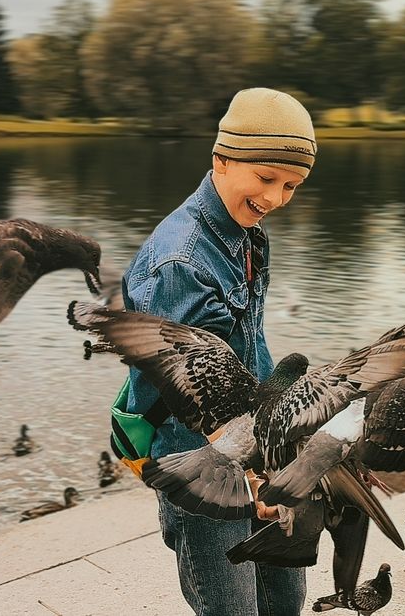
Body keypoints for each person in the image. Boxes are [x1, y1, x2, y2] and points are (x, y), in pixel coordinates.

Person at [121, 88, 316, 615]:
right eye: (266, 178)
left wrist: (285, 444)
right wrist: (250, 478)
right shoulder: (180, 263)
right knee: (232, 609)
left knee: (285, 602)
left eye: (291, 186)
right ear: (221, 159)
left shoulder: (245, 232)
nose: (276, 198)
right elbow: (190, 397)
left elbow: (249, 346)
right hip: (203, 468)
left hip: (253, 449)